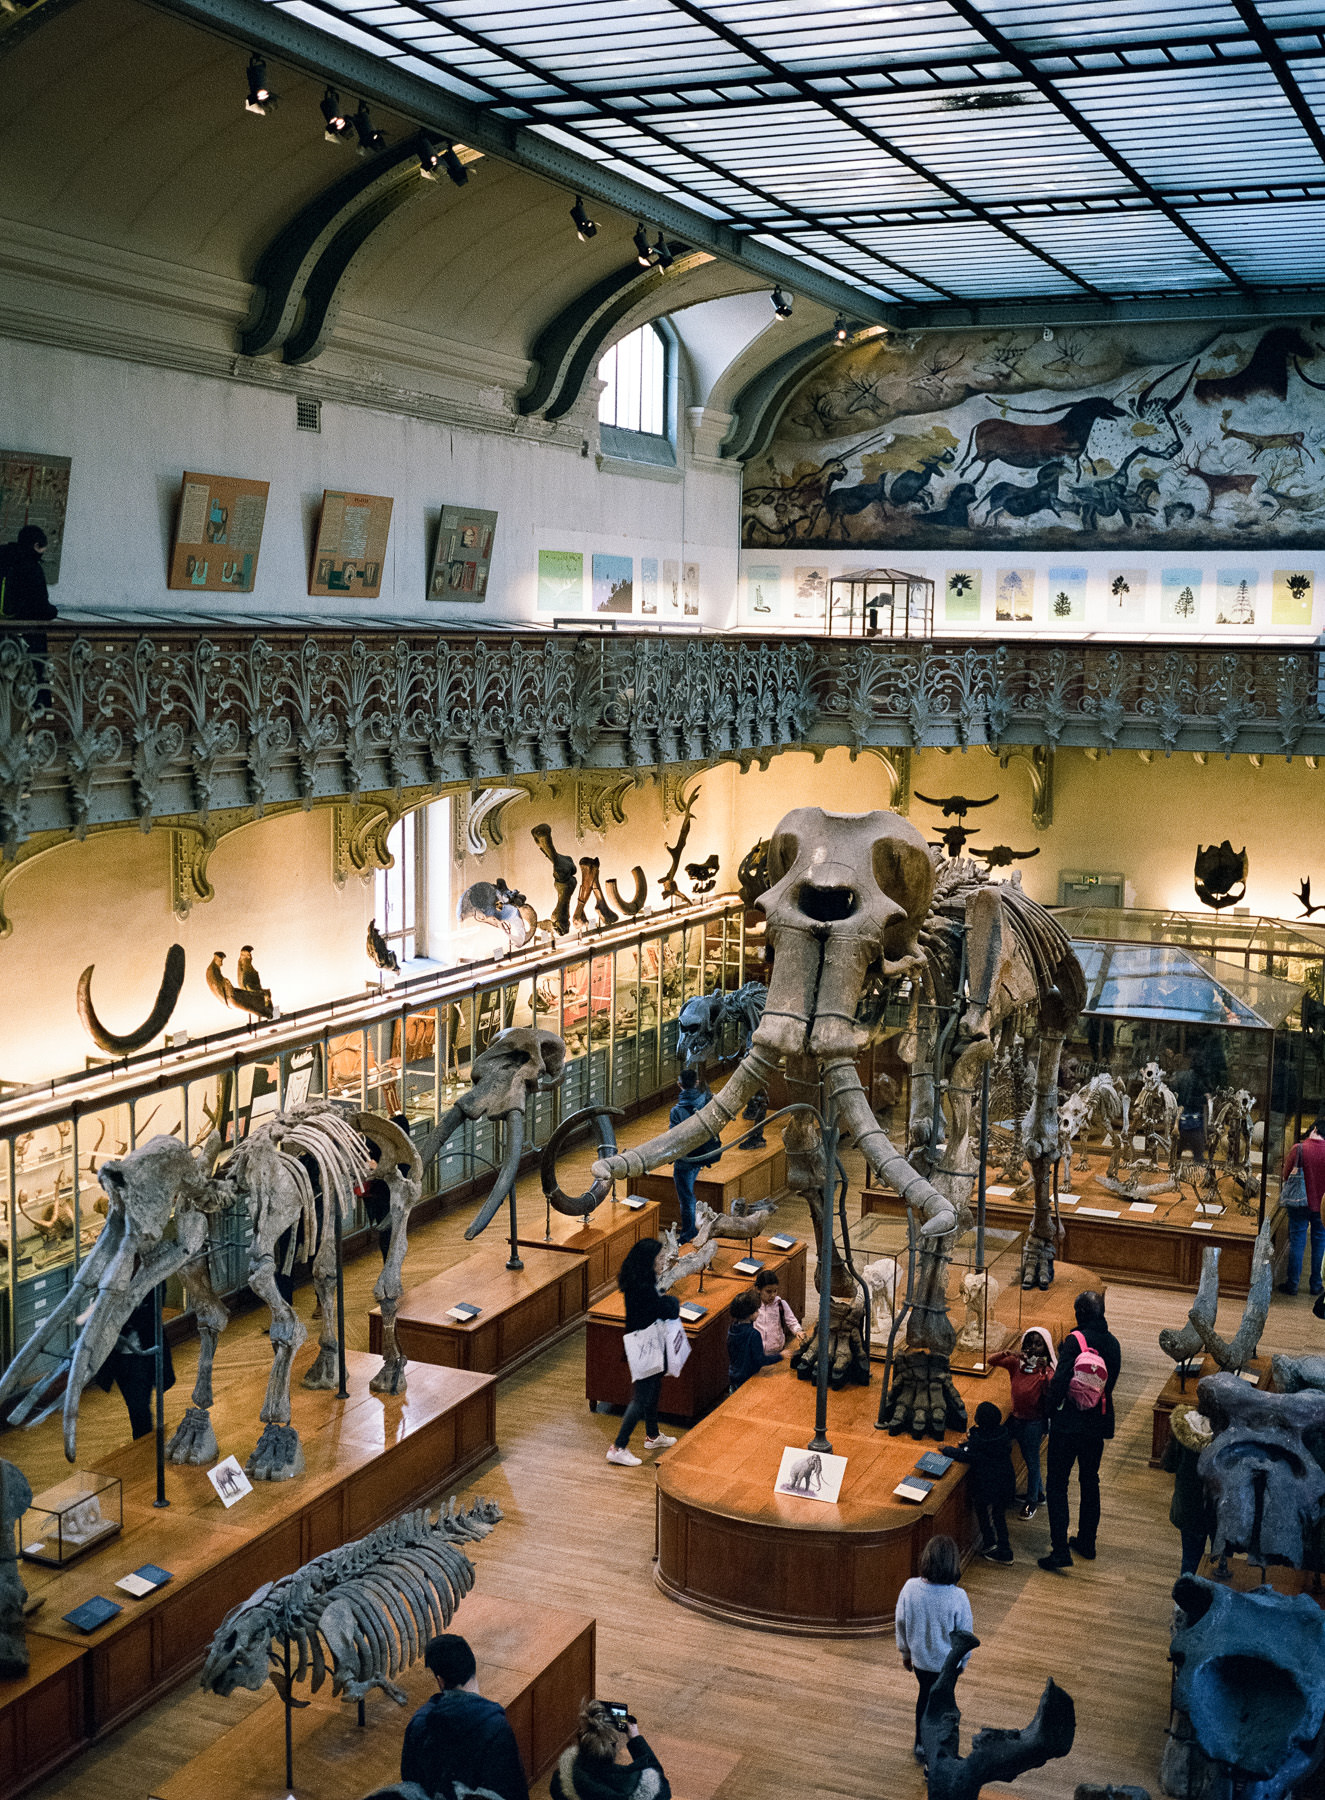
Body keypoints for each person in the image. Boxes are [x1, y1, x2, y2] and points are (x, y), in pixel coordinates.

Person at [1037, 1290, 1122, 1572]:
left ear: (1080, 1314)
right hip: (1096, 1423)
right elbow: (1108, 1386)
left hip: (1067, 1423)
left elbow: (1060, 1380)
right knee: (1090, 1481)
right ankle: (1087, 1541)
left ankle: (1060, 1549)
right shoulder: (1113, 1344)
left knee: (1058, 1484)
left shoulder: (1075, 1340)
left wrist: (1048, 1411)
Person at [400, 1633, 528, 1800]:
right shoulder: (496, 1727)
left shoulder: (419, 1723)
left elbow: (411, 1781)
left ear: (440, 1680)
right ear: (472, 1665)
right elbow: (513, 1790)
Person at [895, 1534, 973, 1767]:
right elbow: (965, 1634)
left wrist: (906, 1653)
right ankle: (940, 1752)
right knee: (945, 1707)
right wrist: (964, 1662)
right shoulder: (958, 1597)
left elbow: (900, 1622)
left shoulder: (910, 1588)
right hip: (949, 1666)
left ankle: (921, 1743)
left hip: (921, 1663)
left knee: (924, 1699)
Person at [607, 1238, 679, 1467]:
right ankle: (618, 1447)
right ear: (648, 1261)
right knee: (640, 1398)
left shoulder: (639, 1281)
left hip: (646, 1342)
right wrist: (673, 1302)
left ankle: (653, 1435)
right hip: (644, 1347)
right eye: (659, 1258)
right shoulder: (643, 1287)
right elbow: (662, 1309)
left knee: (654, 1388)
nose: (662, 1261)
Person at [988, 1325, 1055, 1518]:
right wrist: (1006, 1352)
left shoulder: (1046, 1369)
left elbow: (1051, 1389)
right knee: (1028, 1458)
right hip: (1017, 1418)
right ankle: (1039, 1493)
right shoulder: (1016, 1364)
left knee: (1032, 1462)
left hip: (1034, 1422)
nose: (1033, 1348)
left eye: (1038, 1344)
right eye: (1029, 1343)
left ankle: (1032, 1502)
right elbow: (992, 1361)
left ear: (1046, 1347)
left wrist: (1045, 1372)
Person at [92, 1287, 174, 1439]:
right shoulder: (115, 1279)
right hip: (119, 1358)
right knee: (134, 1406)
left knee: (139, 1407)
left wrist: (122, 1318)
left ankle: (145, 1447)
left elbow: (150, 1313)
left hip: (142, 1357)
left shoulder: (153, 1283)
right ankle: (144, 1444)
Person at [551, 1699, 671, 1800]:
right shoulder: (637, 1786)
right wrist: (635, 1738)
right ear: (612, 1747)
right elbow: (660, 1782)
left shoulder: (562, 1782)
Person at [949, 1400, 1016, 1562]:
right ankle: (1004, 1548)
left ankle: (990, 1543)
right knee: (999, 1516)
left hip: (987, 1485)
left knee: (982, 1510)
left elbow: (969, 1455)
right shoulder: (1002, 1435)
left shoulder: (980, 1441)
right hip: (1005, 1482)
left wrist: (948, 1450)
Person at [669, 1068, 722, 1242]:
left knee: (686, 1198)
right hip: (702, 1154)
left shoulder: (677, 1111)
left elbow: (673, 1137)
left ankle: (688, 1233)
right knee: (688, 1194)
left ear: (679, 1084)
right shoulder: (707, 1101)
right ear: (697, 1082)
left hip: (686, 1161)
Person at [1162, 1405, 1215, 1576]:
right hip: (1219, 1507)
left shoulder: (1183, 1425)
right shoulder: (1231, 1432)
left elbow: (1168, 1464)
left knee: (1190, 1559)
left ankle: (1185, 1600)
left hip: (1189, 1504)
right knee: (1221, 1562)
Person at [1278, 1118, 1325, 1302]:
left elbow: (1285, 1174)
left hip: (1298, 1203)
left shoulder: (1299, 1148)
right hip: (1322, 1206)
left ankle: (1293, 1284)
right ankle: (1316, 1285)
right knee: (1320, 1242)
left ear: (1314, 1129)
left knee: (1297, 1241)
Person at [727, 1288, 782, 1391]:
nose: (758, 1313)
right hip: (748, 1378)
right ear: (749, 1314)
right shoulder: (753, 1335)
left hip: (734, 1376)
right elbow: (760, 1360)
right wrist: (781, 1356)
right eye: (756, 1310)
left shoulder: (732, 1329)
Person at [0, 525, 57, 623]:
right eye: (43, 549)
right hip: (18, 623)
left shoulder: (3, 554)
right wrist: (53, 611)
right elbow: (41, 607)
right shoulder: (32, 568)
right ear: (36, 546)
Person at [753, 1268, 801, 1356]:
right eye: (768, 1291)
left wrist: (798, 1331)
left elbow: (792, 1321)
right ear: (758, 1289)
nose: (773, 1295)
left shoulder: (781, 1304)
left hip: (777, 1351)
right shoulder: (752, 1306)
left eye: (775, 1291)